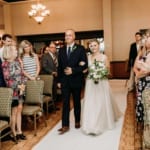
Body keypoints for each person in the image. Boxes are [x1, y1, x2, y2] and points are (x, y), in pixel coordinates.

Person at [81, 39, 122, 135]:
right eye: (91, 46)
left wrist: (100, 74)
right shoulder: (88, 57)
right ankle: (91, 124)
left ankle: (100, 123)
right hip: (91, 82)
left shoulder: (104, 57)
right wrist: (83, 68)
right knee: (91, 102)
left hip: (101, 82)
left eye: (94, 45)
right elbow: (86, 70)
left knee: (100, 102)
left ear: (99, 46)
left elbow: (108, 71)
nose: (93, 47)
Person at [57, 29, 88, 134]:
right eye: (66, 35)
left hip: (76, 80)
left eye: (70, 35)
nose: (67, 37)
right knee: (65, 103)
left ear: (74, 37)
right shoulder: (61, 50)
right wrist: (59, 80)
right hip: (65, 81)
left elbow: (84, 65)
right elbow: (60, 67)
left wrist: (73, 70)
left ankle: (77, 120)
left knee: (76, 102)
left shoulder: (80, 49)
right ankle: (65, 125)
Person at [2, 44, 26, 143]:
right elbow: (7, 80)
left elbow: (22, 75)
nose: (17, 52)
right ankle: (13, 133)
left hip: (21, 90)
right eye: (15, 50)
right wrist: (18, 87)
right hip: (12, 92)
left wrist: (23, 85)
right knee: (14, 112)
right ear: (9, 52)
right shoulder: (5, 64)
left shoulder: (17, 62)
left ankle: (19, 131)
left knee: (19, 110)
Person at [133, 37, 150, 126]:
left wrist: (138, 75)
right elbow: (135, 67)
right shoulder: (141, 53)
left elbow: (147, 71)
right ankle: (143, 122)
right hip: (141, 81)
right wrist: (137, 74)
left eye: (148, 39)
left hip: (148, 82)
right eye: (146, 39)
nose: (146, 40)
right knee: (141, 101)